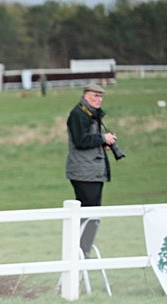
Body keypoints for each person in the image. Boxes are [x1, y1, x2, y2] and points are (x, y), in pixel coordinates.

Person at [66, 83, 117, 257]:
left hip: (92, 171)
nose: (99, 99)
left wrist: (101, 145)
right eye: (95, 95)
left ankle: (82, 251)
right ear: (85, 95)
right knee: (89, 215)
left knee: (93, 215)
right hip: (84, 173)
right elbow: (80, 141)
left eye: (100, 96)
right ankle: (81, 252)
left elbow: (87, 140)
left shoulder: (90, 114)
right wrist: (103, 138)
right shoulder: (79, 114)